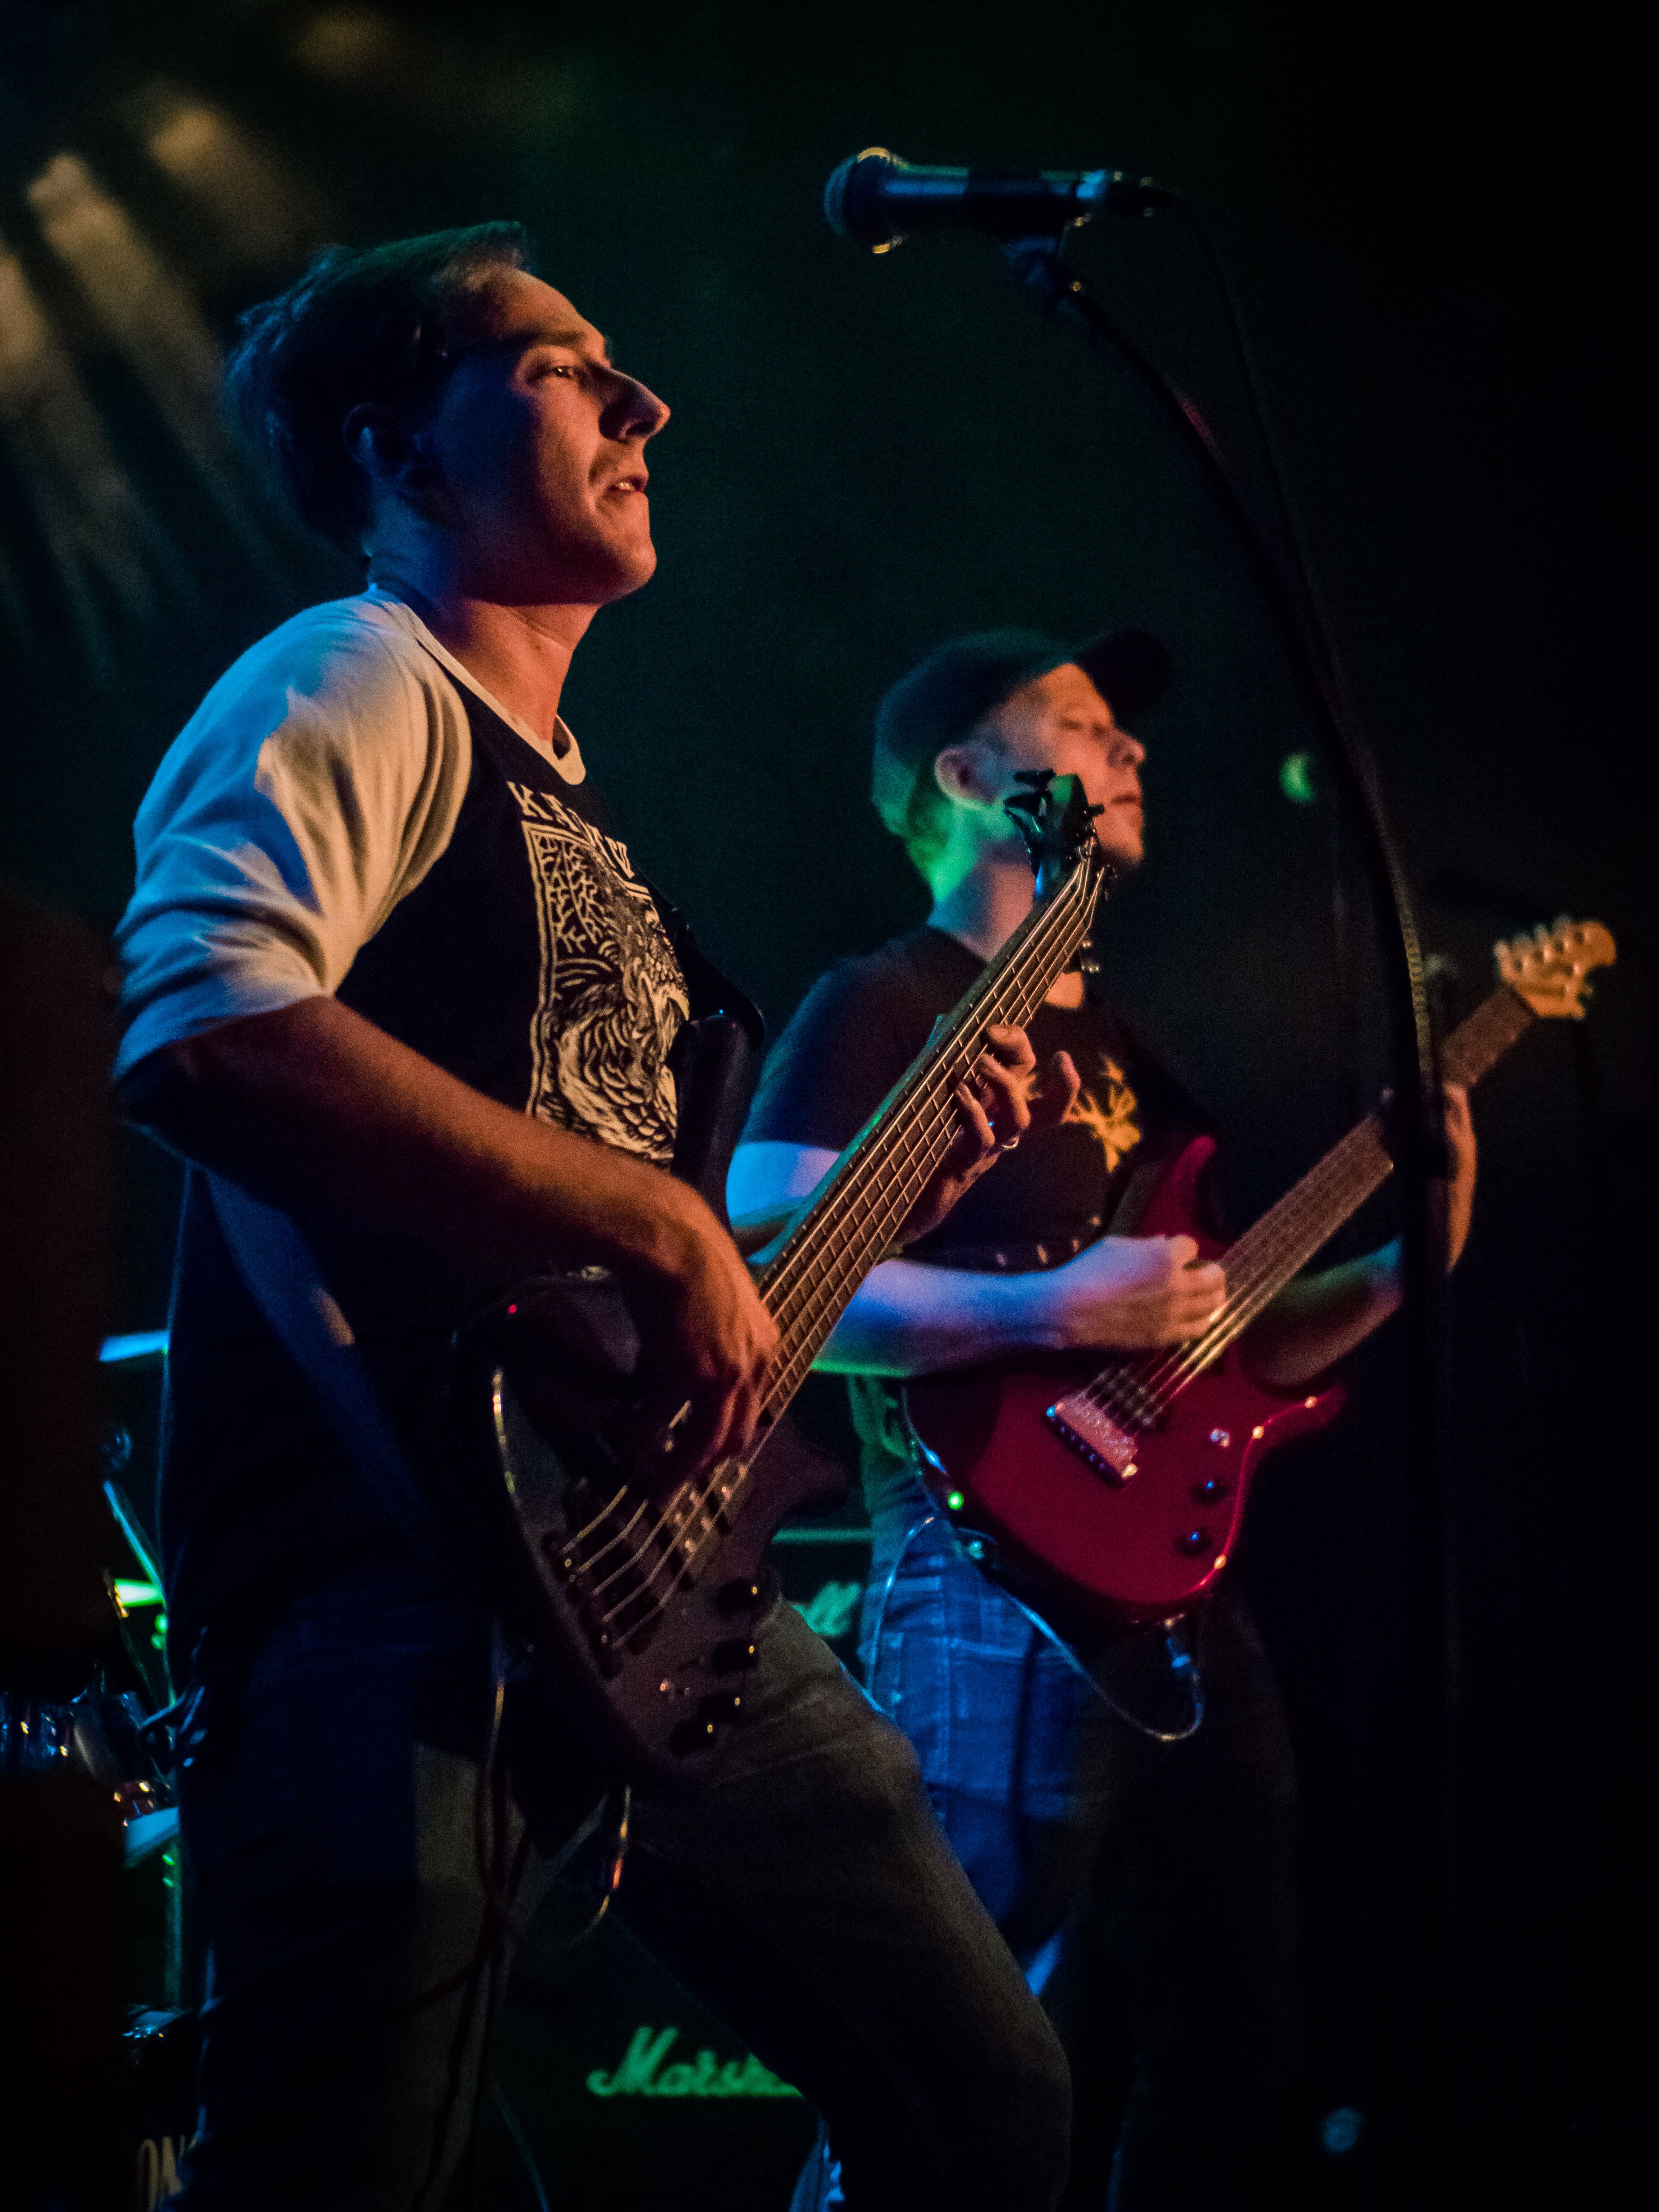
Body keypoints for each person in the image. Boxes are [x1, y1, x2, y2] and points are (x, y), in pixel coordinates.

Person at [113, 226, 1086, 2210]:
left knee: (988, 2097)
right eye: (565, 367)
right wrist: (662, 1230)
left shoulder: (576, 811)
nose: (647, 403)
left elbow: (639, 1311)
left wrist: (853, 1203)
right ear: (401, 447)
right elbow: (200, 1025)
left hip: (639, 1588)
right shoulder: (358, 676)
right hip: (382, 1578)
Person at [731, 629, 1477, 2209]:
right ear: (965, 777)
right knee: (969, 2021)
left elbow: (1213, 1345)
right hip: (984, 1568)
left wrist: (1405, 1263)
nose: (1129, 748)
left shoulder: (1132, 1049)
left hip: (1181, 1590)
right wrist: (1054, 1309)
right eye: (1079, 722)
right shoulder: (886, 999)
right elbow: (776, 1285)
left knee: (1237, 2032)